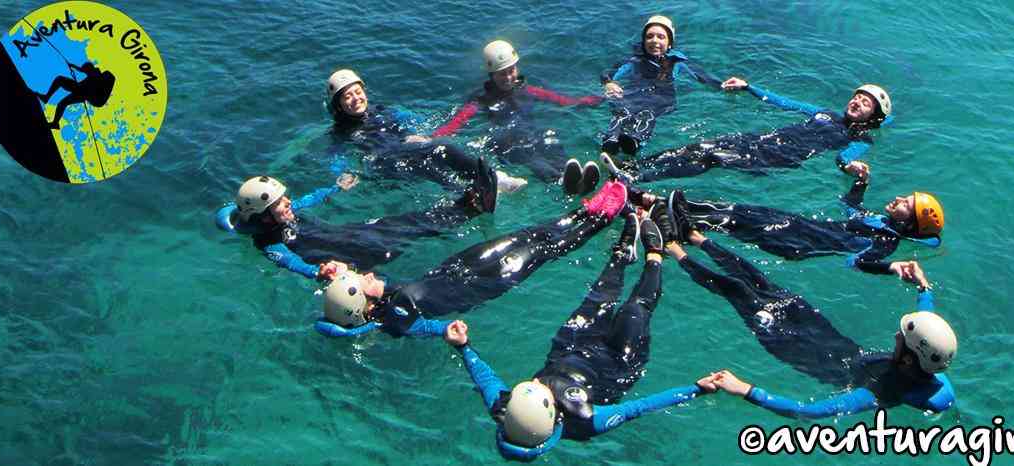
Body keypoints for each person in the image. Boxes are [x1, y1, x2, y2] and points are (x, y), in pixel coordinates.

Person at [443, 209, 721, 460]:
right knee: (635, 309)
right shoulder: (588, 420)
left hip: (569, 350)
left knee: (599, 296)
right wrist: (696, 389)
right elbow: (641, 407)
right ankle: (655, 256)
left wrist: (463, 346)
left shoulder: (505, 409)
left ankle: (622, 253)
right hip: (617, 361)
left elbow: (486, 379)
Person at [661, 225, 956, 419]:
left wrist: (745, 389)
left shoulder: (880, 392)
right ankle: (702, 241)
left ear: (906, 359)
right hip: (827, 335)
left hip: (794, 348)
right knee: (762, 282)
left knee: (739, 292)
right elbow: (926, 321)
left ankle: (677, 253)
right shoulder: (925, 364)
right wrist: (923, 287)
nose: (896, 334)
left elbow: (808, 411)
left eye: (900, 337)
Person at [313, 180, 632, 338]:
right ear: (362, 306)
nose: (365, 275)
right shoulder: (395, 319)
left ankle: (582, 211)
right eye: (359, 281)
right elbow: (424, 326)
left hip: (456, 267)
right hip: (486, 281)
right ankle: (601, 219)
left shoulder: (382, 303)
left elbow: (381, 293)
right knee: (545, 249)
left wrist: (346, 274)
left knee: (527, 234)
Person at [214, 157, 498, 280]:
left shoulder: (287, 214)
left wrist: (336, 187)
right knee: (410, 232)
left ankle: (465, 205)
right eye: (278, 204)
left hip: (349, 233)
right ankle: (473, 209)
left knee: (404, 221)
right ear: (263, 217)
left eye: (284, 198)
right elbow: (291, 263)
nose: (287, 203)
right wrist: (319, 272)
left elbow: (309, 199)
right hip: (351, 253)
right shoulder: (269, 244)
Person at [662, 161, 943, 273]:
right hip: (798, 225)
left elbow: (858, 263)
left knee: (739, 223)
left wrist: (891, 267)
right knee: (744, 210)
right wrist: (861, 182)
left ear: (909, 222)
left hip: (798, 242)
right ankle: (680, 207)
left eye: (906, 203)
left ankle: (683, 225)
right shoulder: (878, 221)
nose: (898, 199)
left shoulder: (886, 242)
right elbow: (850, 206)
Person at [605, 81, 893, 183]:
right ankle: (632, 166)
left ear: (874, 117)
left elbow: (846, 158)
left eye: (865, 102)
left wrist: (851, 168)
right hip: (764, 140)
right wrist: (749, 87)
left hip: (781, 156)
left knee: (712, 158)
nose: (857, 101)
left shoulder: (860, 138)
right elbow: (786, 102)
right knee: (701, 146)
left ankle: (637, 177)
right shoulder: (824, 113)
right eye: (857, 96)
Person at [430, 41, 603, 194]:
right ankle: (562, 183)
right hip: (508, 145)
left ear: (517, 68)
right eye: (502, 74)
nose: (508, 77)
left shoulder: (528, 90)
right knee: (536, 163)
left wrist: (597, 98)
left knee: (554, 147)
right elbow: (458, 121)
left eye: (511, 71)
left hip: (533, 135)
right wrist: (430, 139)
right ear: (492, 74)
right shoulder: (481, 99)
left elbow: (562, 100)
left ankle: (577, 180)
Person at [325, 69, 526, 192]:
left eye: (358, 92)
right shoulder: (341, 130)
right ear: (339, 104)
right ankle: (467, 193)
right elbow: (336, 153)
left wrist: (416, 132)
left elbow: (405, 116)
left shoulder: (381, 110)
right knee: (426, 167)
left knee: (442, 147)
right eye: (348, 96)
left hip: (406, 146)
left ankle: (494, 178)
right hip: (385, 161)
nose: (356, 99)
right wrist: (342, 173)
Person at [598, 15, 740, 158]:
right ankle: (610, 142)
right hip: (633, 96)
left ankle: (634, 142)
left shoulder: (677, 63)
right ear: (643, 41)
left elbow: (703, 77)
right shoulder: (633, 61)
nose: (654, 40)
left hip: (661, 99)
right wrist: (609, 83)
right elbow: (608, 74)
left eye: (661, 37)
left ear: (669, 42)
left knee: (647, 115)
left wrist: (724, 85)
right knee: (621, 113)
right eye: (649, 36)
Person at [37, 61, 116, 130]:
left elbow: (87, 76)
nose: (85, 73)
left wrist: (75, 67)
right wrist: (74, 67)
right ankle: (55, 123)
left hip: (84, 93)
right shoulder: (92, 77)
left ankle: (46, 98)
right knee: (62, 103)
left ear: (89, 69)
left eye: (86, 71)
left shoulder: (96, 74)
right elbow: (84, 80)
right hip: (83, 94)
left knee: (59, 79)